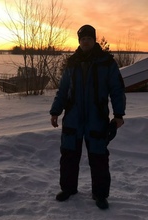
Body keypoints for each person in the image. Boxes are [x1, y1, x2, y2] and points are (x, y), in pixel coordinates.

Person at [49, 24, 126, 209]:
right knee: (68, 155)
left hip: (96, 117)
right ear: (79, 41)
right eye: (83, 39)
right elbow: (63, 89)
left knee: (99, 157)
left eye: (89, 38)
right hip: (73, 117)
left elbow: (117, 89)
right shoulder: (72, 62)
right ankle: (68, 189)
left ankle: (100, 194)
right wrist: (55, 111)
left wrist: (118, 114)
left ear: (94, 40)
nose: (86, 41)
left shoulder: (106, 62)